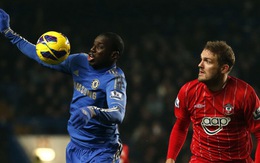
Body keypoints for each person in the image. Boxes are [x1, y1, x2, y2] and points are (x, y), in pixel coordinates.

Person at [0, 9, 127, 163]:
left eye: (100, 47)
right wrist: (9, 32)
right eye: (93, 45)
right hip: (75, 147)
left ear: (114, 55)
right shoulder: (79, 61)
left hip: (101, 151)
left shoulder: (114, 79)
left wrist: (92, 111)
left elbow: (118, 113)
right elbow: (40, 56)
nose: (92, 49)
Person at [166, 41, 260, 163]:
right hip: (201, 160)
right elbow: (181, 125)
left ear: (224, 68)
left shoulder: (245, 93)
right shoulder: (188, 91)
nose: (200, 65)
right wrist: (170, 158)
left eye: (207, 61)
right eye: (201, 59)